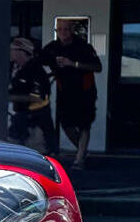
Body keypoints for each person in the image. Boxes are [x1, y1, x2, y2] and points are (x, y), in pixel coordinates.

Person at [39, 19, 102, 169]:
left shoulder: (83, 47)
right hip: (65, 92)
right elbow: (40, 59)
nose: (62, 33)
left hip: (85, 91)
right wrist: (53, 62)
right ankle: (83, 150)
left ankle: (79, 159)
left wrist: (73, 64)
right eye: (59, 29)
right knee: (66, 124)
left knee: (84, 124)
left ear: (72, 30)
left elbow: (97, 67)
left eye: (65, 29)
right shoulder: (53, 47)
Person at [8, 37, 58, 155]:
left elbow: (39, 98)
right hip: (19, 120)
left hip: (37, 123)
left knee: (37, 156)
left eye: (13, 50)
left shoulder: (36, 71)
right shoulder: (13, 67)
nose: (10, 52)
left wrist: (10, 97)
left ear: (22, 52)